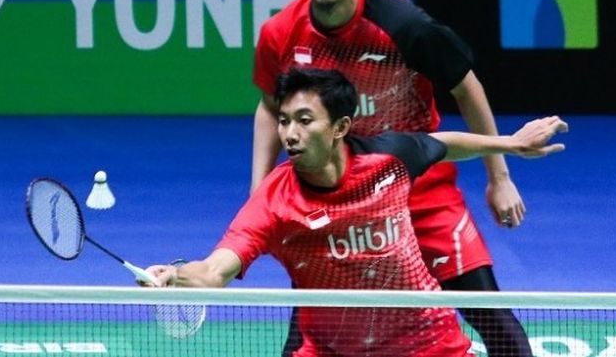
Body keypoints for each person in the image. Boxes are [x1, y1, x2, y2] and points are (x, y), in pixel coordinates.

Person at [251, 0, 536, 357]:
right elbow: (269, 107)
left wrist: (499, 178)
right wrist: (261, 194)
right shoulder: (280, 32)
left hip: (421, 190)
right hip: (336, 204)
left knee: (495, 323)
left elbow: (467, 87)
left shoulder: (404, 25)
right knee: (308, 337)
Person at [146, 68, 568, 357]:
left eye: (305, 120)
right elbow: (215, 271)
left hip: (426, 342)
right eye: (285, 121)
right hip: (332, 349)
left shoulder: (389, 158)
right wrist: (176, 275)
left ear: (340, 127)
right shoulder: (273, 201)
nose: (290, 134)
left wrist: (511, 145)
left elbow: (444, 143)